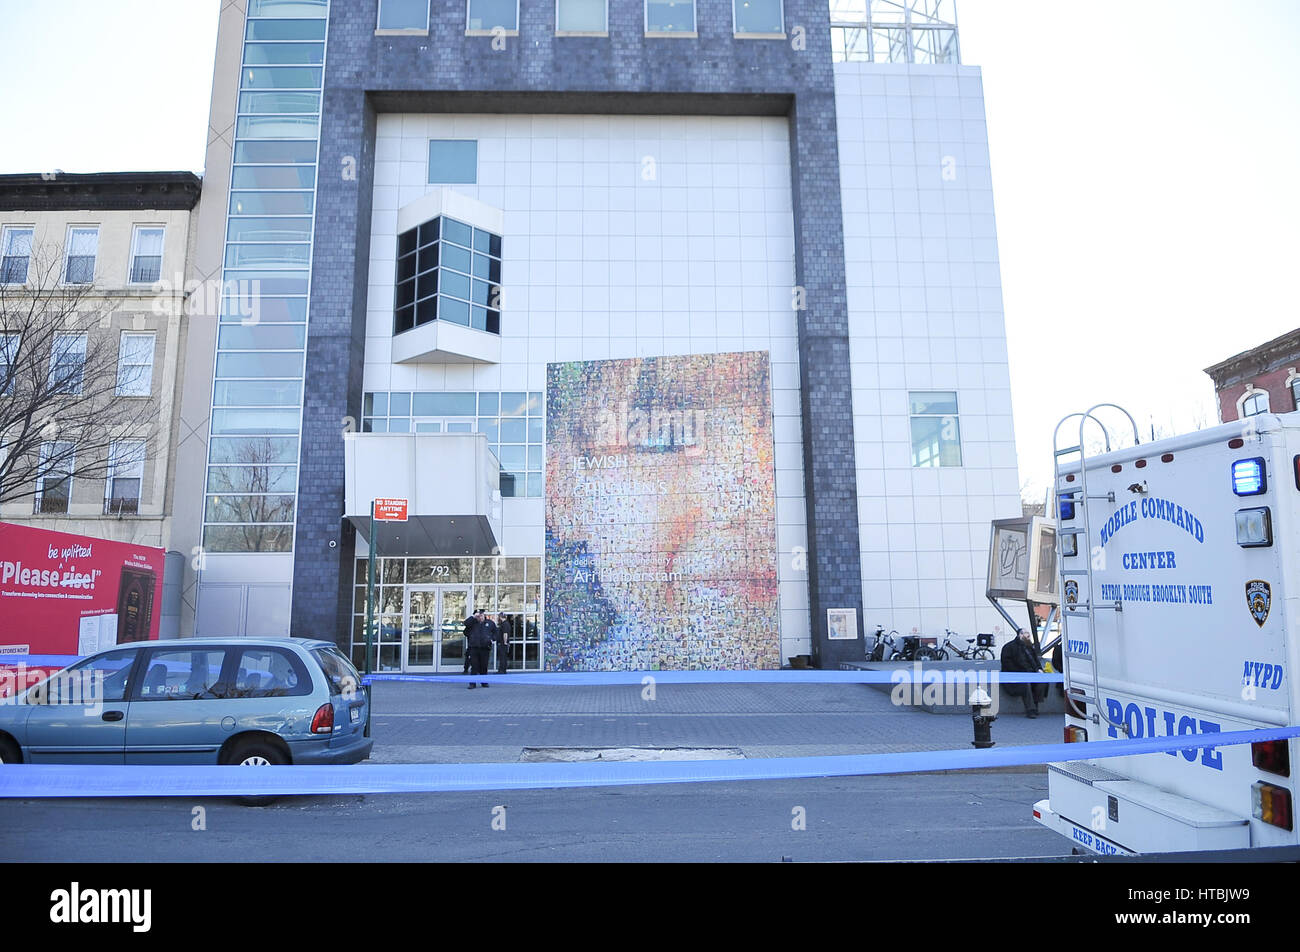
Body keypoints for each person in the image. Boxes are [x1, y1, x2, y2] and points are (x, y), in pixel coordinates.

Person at [1001, 627, 1048, 718]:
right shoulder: (1009, 647)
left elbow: (1036, 661)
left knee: (1042, 682)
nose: (1028, 635)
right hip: (1015, 676)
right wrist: (1022, 674)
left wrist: (1039, 669)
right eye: (1026, 633)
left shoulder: (1030, 647)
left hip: (1030, 674)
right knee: (1026, 685)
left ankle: (1035, 705)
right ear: (1020, 635)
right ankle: (1030, 710)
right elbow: (1007, 664)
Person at [467, 608, 494, 688]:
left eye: (481, 615)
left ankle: (484, 682)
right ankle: (472, 683)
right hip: (474, 648)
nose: (480, 617)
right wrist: (473, 617)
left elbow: (496, 632)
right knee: (474, 666)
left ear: (484, 615)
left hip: (485, 648)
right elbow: (466, 624)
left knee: (484, 666)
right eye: (478, 616)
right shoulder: (473, 623)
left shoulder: (490, 623)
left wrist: (492, 639)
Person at [462, 610, 479, 677]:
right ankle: (466, 669)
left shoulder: (480, 621)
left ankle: (476, 669)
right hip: (471, 642)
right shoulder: (471, 621)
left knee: (477, 656)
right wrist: (473, 617)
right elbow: (466, 624)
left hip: (479, 642)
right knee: (469, 655)